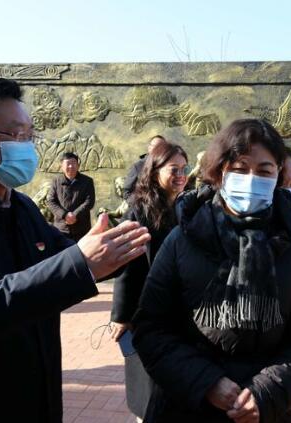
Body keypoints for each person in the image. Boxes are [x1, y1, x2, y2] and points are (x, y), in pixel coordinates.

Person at [0, 75, 151, 423]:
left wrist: (128, 242)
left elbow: (64, 257)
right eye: (16, 136)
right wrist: (80, 263)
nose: (28, 148)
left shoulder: (19, 207)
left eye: (31, 135)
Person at [132, 119, 291, 422]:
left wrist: (265, 393)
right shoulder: (182, 240)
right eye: (240, 168)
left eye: (264, 171)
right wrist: (206, 383)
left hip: (267, 413)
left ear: (278, 175)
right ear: (220, 171)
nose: (251, 179)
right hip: (186, 408)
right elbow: (150, 328)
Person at [110, 141, 189, 420]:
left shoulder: (183, 206)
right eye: (173, 169)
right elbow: (126, 265)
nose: (181, 175)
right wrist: (121, 316)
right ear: (155, 172)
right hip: (147, 311)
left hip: (179, 309)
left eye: (184, 169)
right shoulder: (139, 211)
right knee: (148, 387)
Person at [46, 152, 96, 241]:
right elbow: (51, 201)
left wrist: (75, 215)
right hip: (61, 228)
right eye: (68, 163)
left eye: (73, 163)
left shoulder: (87, 181)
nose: (71, 166)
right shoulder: (56, 181)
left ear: (78, 165)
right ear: (62, 166)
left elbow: (89, 201)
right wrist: (65, 215)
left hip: (81, 228)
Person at [122, 135, 167, 199]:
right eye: (155, 146)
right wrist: (140, 203)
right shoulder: (138, 166)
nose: (158, 150)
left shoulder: (168, 167)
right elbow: (126, 192)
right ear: (149, 148)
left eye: (161, 147)